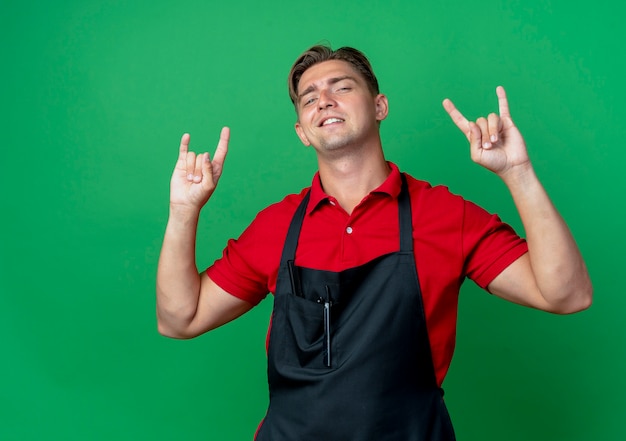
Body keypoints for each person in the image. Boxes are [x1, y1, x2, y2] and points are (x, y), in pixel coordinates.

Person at [156, 45, 592, 440]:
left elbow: (567, 294)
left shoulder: (444, 215)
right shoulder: (277, 226)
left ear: (380, 106)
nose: (323, 100)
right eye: (309, 98)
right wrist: (183, 212)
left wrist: (518, 172)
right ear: (302, 132)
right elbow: (180, 319)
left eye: (341, 87)